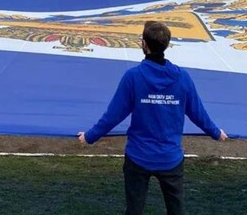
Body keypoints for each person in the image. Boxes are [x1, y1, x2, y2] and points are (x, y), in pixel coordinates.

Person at [77, 21, 228, 215]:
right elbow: (197, 113)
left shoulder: (133, 77)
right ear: (167, 44)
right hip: (170, 158)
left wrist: (89, 137)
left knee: (134, 210)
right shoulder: (183, 78)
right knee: (177, 211)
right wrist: (216, 133)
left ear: (144, 44)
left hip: (138, 157)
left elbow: (113, 115)